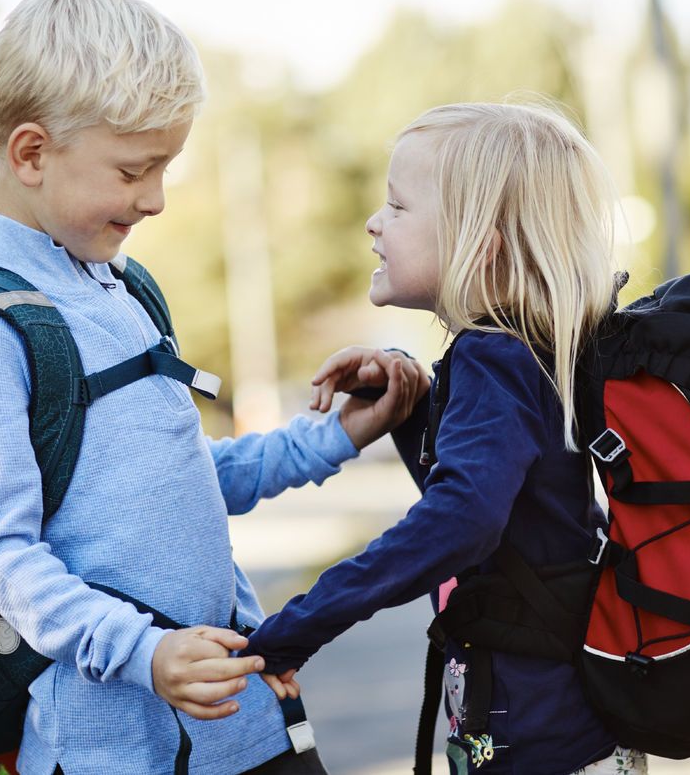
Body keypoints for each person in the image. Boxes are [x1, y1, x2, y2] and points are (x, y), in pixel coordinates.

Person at [0, 0, 424, 775]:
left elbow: (182, 479)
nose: (155, 198)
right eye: (133, 170)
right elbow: (3, 557)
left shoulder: (122, 291)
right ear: (31, 153)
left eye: (166, 168)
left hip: (244, 722)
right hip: (117, 751)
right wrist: (145, 653)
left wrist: (333, 437)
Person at [247, 102, 647, 774]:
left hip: (544, 747)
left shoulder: (496, 358)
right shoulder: (525, 351)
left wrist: (294, 628)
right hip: (562, 734)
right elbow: (498, 509)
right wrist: (411, 404)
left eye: (399, 207)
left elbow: (462, 520)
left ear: (478, 243)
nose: (375, 222)